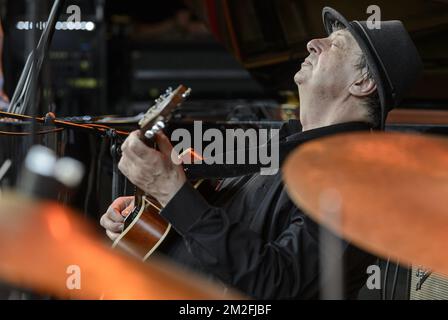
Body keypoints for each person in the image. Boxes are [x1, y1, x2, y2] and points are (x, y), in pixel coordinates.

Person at [100, 7, 423, 299]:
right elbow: (221, 223)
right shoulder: (281, 144)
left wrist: (173, 194)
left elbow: (274, 285)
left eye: (335, 44)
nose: (312, 42)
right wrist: (149, 213)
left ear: (363, 82)